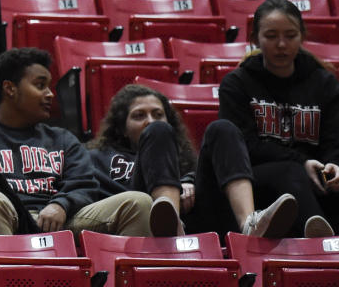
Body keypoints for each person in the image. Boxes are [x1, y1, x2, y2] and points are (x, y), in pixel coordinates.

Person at [0, 47, 170, 237]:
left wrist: (62, 204)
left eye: (49, 86)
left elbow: (86, 185)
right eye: (40, 85)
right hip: (6, 216)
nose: (50, 94)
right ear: (10, 89)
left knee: (139, 202)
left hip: (60, 221)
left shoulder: (63, 139)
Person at [218, 0, 339, 237]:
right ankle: (322, 246)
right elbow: (243, 146)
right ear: (254, 40)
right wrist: (301, 162)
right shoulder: (237, 84)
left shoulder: (324, 82)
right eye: (271, 36)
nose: (281, 44)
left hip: (318, 176)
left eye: (290, 36)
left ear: (302, 36)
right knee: (290, 173)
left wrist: (337, 165)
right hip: (260, 180)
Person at [89, 83, 297, 238]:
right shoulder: (98, 157)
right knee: (157, 132)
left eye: (158, 114)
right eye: (139, 115)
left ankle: (250, 223)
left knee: (223, 128)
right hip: (144, 222)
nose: (149, 121)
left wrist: (188, 180)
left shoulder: (185, 158)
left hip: (197, 221)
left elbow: (203, 176)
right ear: (122, 128)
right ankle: (169, 222)